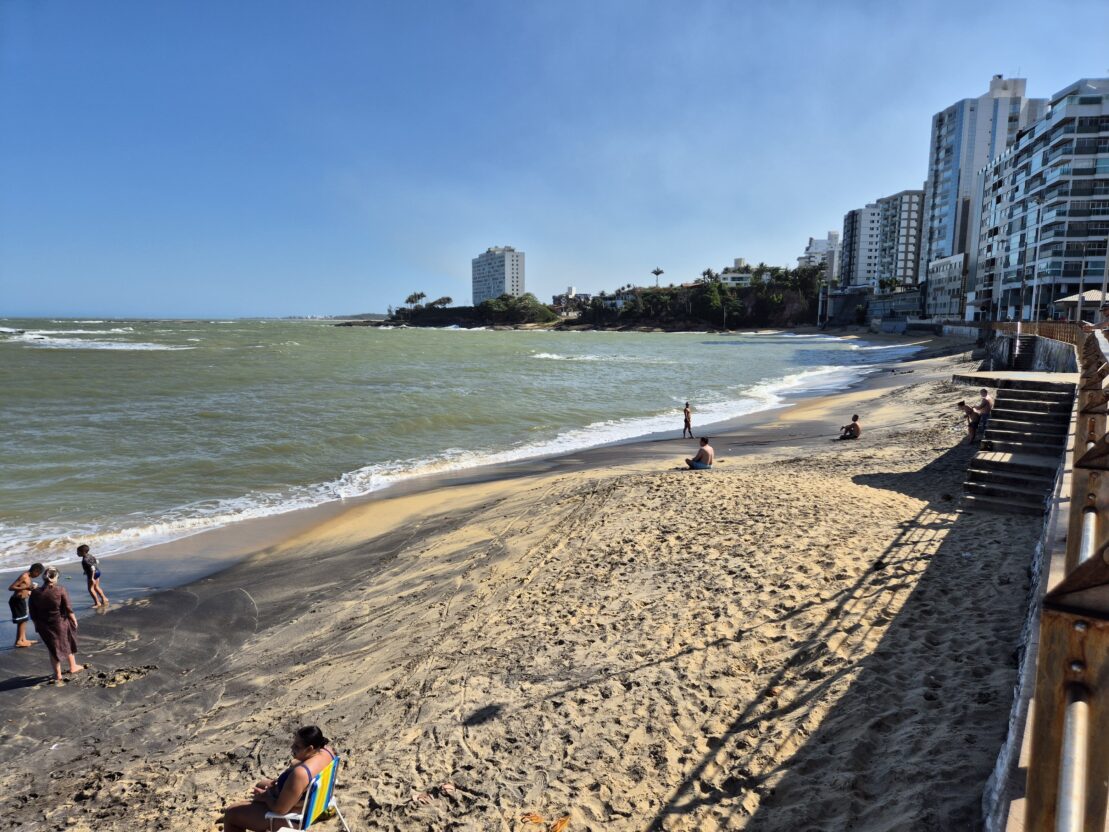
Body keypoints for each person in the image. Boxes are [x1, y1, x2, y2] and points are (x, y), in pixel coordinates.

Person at [219, 726, 338, 832]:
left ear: (309, 749)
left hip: (294, 819)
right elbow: (309, 763)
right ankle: (252, 816)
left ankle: (248, 818)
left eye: (297, 746)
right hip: (312, 805)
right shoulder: (327, 752)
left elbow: (280, 810)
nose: (292, 747)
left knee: (231, 813)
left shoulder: (300, 774)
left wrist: (266, 797)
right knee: (261, 784)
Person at [28, 567, 84, 685]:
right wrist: (74, 620)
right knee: (67, 642)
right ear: (55, 577)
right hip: (60, 622)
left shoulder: (35, 592)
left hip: (44, 625)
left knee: (52, 648)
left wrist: (36, 625)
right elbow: (68, 608)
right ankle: (73, 666)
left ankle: (57, 674)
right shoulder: (60, 590)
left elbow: (32, 612)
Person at [8, 562, 44, 648]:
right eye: (38, 574)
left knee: (24, 620)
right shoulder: (24, 576)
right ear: (35, 571)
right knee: (22, 621)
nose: (38, 576)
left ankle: (23, 639)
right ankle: (19, 641)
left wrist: (30, 590)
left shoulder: (28, 576)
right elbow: (11, 587)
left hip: (21, 600)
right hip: (16, 601)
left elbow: (25, 588)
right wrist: (26, 588)